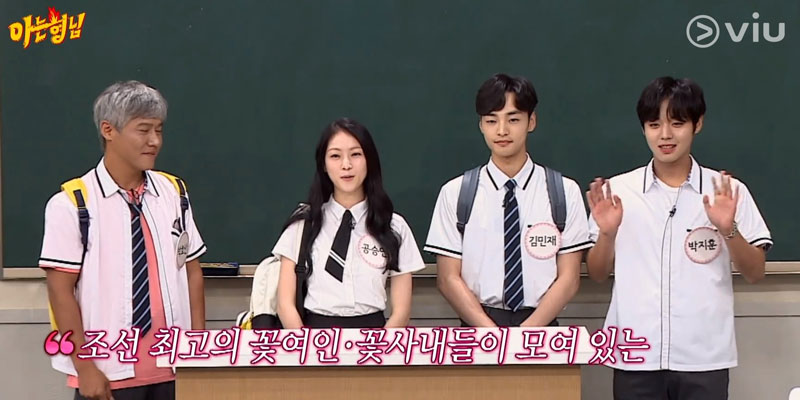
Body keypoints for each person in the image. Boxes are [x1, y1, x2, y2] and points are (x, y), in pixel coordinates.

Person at [585, 76, 772, 400]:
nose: (665, 135)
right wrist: (607, 234)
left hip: (704, 357)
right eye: (654, 124)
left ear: (697, 124)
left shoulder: (727, 191)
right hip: (635, 355)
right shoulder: (618, 193)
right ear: (644, 128)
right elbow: (598, 274)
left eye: (677, 123)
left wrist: (728, 228)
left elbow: (755, 272)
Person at [39, 81, 207, 400]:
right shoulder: (73, 203)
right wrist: (85, 367)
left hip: (174, 366)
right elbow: (60, 291)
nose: (154, 141)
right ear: (108, 130)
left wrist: (197, 347)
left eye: (159, 130)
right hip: (107, 370)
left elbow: (192, 272)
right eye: (143, 130)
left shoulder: (174, 193)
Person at [425, 73, 592, 327]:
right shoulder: (455, 193)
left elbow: (569, 278)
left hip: (541, 326)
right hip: (478, 325)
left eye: (513, 119)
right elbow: (448, 278)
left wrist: (526, 333)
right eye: (491, 121)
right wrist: (492, 334)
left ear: (531, 121)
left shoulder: (564, 191)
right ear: (481, 125)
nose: (502, 130)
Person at [274, 118, 425, 329]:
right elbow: (285, 305)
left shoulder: (393, 226)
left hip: (374, 334)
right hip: (315, 335)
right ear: (324, 165)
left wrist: (378, 345)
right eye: (335, 156)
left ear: (369, 160)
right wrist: (306, 346)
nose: (346, 165)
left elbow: (401, 311)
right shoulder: (303, 224)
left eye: (355, 154)